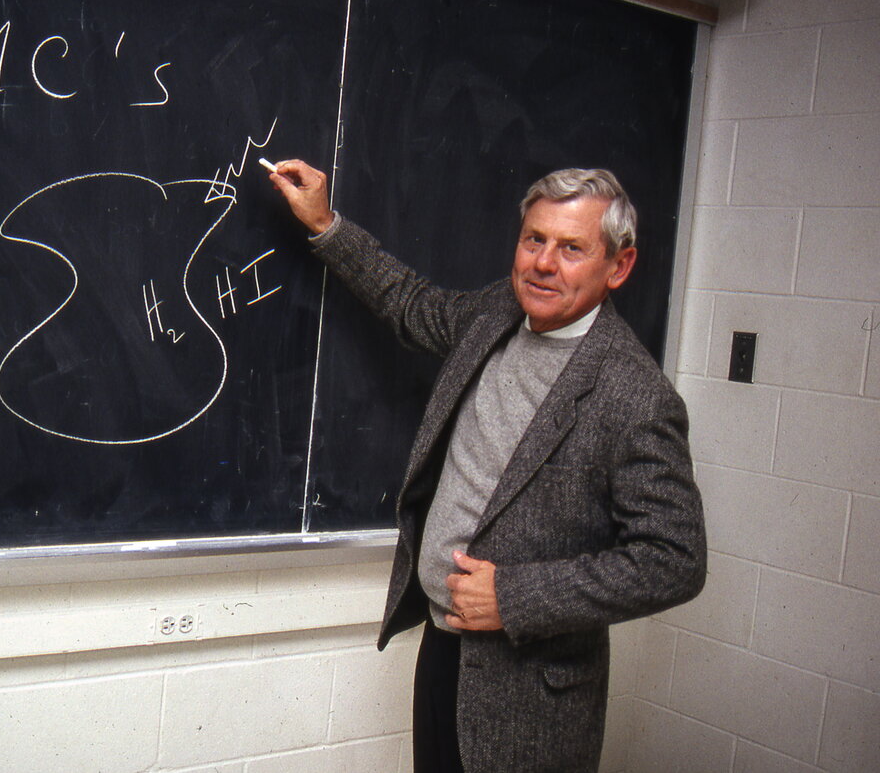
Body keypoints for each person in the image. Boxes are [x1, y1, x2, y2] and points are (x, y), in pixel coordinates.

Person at [267, 160, 706, 772]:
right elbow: (411, 304)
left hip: (529, 687)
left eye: (572, 248)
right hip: (445, 647)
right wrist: (325, 224)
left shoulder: (633, 396)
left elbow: (675, 560)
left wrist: (515, 597)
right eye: (535, 240)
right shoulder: (498, 313)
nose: (544, 264)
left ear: (619, 266)